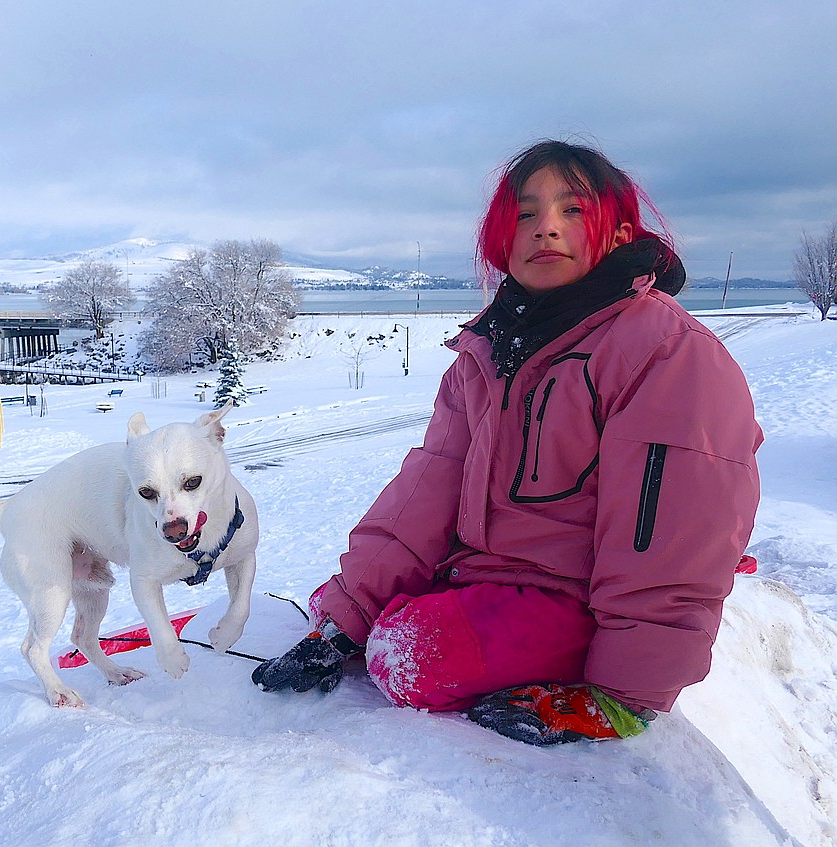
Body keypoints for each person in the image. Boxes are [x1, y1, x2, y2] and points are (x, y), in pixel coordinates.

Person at [252, 139, 763, 746]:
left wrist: (627, 693)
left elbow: (671, 535)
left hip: (579, 599)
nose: (546, 227)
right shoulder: (486, 354)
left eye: (573, 210)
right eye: (525, 213)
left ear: (621, 233)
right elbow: (424, 493)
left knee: (409, 655)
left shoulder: (662, 352)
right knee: (359, 616)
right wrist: (345, 619)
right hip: (485, 576)